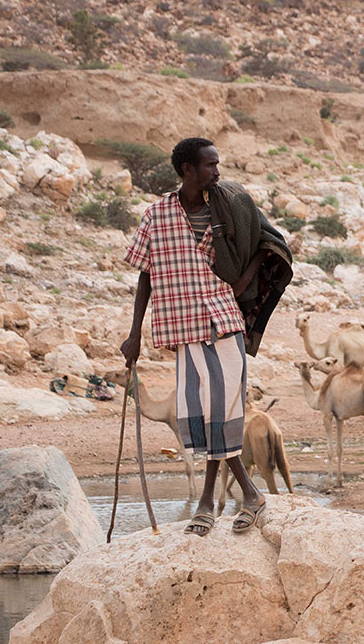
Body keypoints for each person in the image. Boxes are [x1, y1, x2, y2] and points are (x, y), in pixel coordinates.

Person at [120, 137, 292, 536]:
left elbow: (269, 242)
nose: (217, 172)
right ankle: (241, 495)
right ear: (187, 170)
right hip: (182, 324)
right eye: (210, 165)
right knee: (203, 408)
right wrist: (134, 334)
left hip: (222, 317)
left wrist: (243, 280)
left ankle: (216, 500)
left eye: (217, 164)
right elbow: (145, 274)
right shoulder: (157, 215)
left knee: (224, 404)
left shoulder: (230, 204)